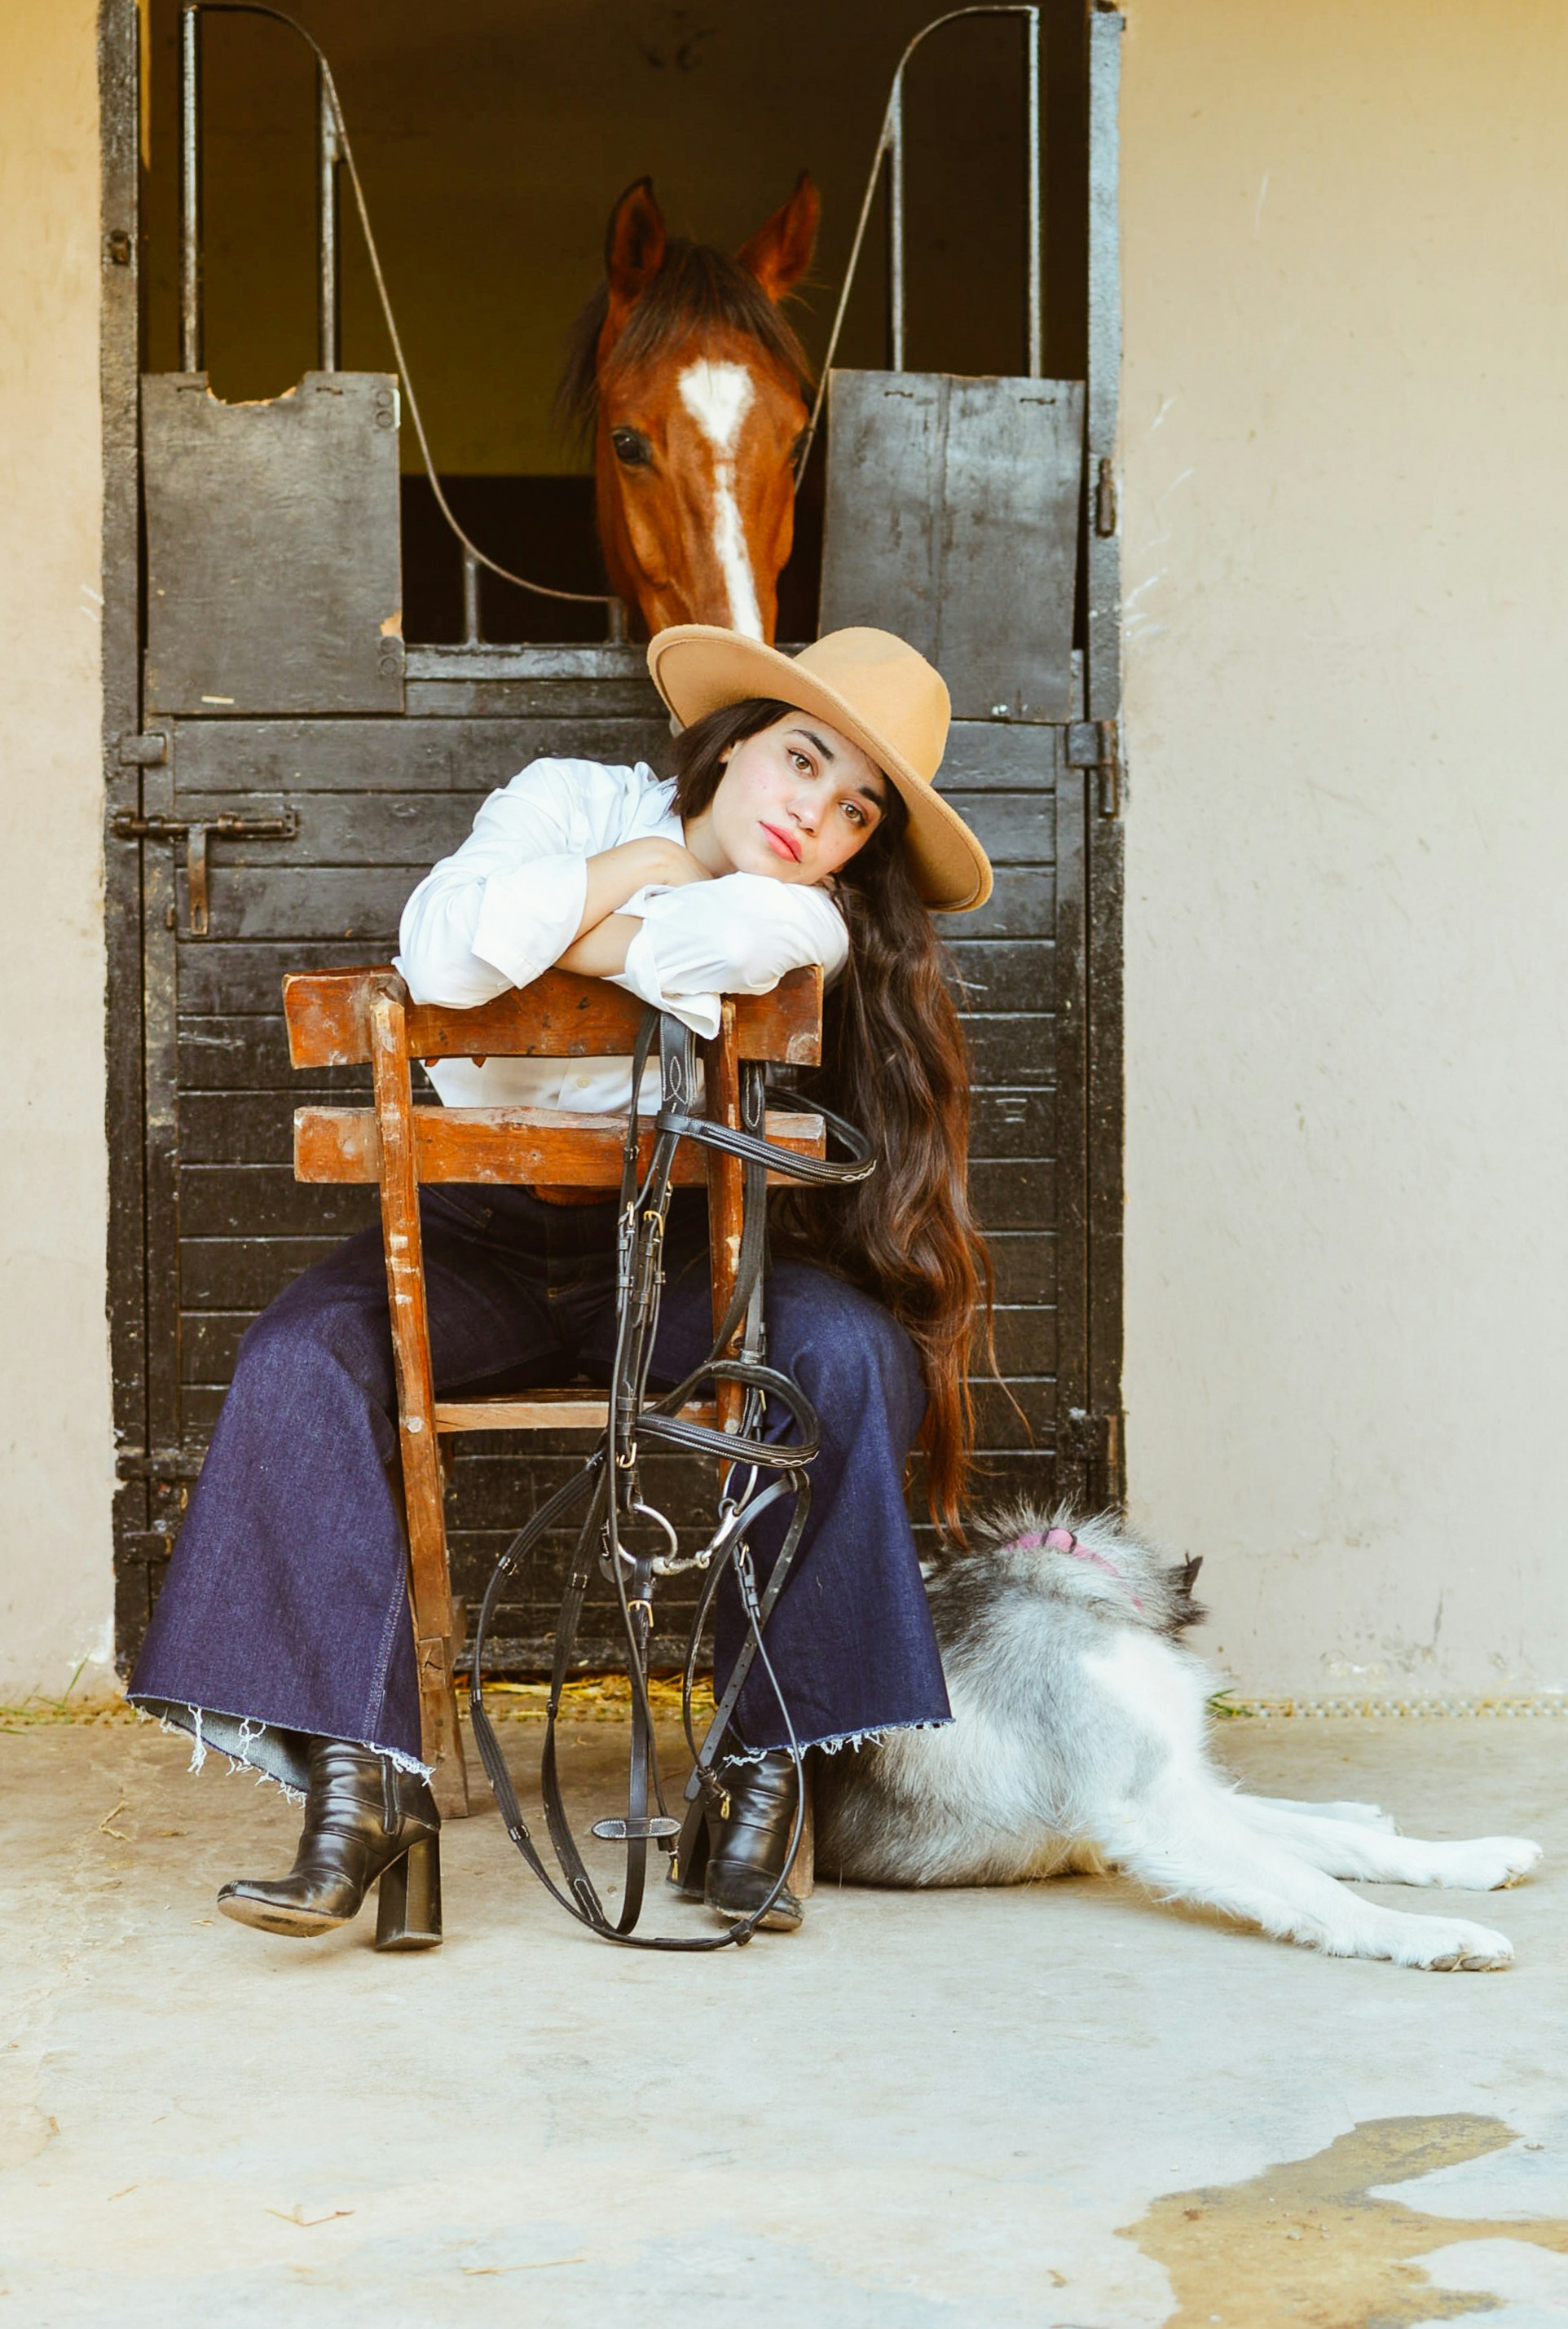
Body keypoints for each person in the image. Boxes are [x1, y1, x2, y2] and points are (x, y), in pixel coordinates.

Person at [129, 624, 993, 1944]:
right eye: (801, 760)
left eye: (851, 808)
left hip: (678, 1250)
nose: (812, 812)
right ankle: (367, 1791)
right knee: (299, 1359)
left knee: (849, 1356)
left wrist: (575, 918)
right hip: (470, 1240)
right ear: (737, 737)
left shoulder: (801, 911)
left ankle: (766, 1766)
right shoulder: (565, 798)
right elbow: (442, 949)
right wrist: (646, 866)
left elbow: (666, 957)